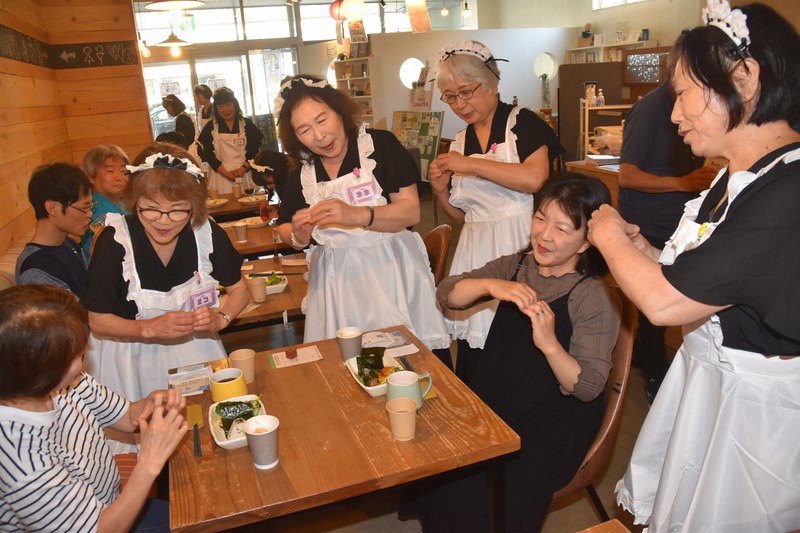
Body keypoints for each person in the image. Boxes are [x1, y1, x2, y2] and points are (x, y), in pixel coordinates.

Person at [587, 2, 800, 530]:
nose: (674, 114)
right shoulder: (735, 177)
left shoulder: (788, 190)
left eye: (683, 94)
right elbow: (704, 279)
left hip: (754, 416)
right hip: (710, 392)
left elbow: (666, 303)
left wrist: (608, 234)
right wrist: (642, 251)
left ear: (744, 78)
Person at [407, 174, 621, 532]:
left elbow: (586, 387)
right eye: (540, 218)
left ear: (587, 242)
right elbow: (447, 293)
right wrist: (491, 285)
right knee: (439, 461)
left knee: (473, 488)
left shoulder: (592, 296)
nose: (545, 235)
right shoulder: (520, 265)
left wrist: (550, 344)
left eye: (562, 229)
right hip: (502, 400)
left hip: (554, 420)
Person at [274, 75, 450, 354]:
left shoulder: (379, 146)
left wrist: (356, 215)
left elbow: (410, 211)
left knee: (408, 358)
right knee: (346, 360)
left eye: (322, 120)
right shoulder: (303, 173)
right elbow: (285, 226)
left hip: (392, 271)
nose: (319, 136)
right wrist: (299, 235)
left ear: (339, 111)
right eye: (304, 130)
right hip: (336, 283)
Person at [0, 284, 187, 532]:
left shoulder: (65, 384)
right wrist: (150, 463)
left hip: (110, 505)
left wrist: (151, 403)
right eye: (78, 355)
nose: (85, 355)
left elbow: (127, 416)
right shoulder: (24, 463)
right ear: (42, 371)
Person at [429, 40, 565, 365]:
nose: (460, 104)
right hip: (474, 246)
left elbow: (535, 178)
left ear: (492, 84)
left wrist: (470, 164)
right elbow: (461, 216)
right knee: (476, 345)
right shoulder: (461, 140)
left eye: (467, 92)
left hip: (516, 241)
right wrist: (441, 192)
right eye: (450, 97)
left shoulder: (522, 123)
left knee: (514, 339)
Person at [83, 143, 249, 401]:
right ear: (134, 201)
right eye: (150, 208)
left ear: (193, 206)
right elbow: (98, 321)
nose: (163, 220)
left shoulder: (205, 233)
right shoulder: (115, 241)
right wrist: (148, 328)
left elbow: (239, 289)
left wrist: (222, 318)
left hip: (195, 349)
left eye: (177, 210)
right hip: (129, 359)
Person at [617, 80, 717, 402]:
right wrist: (683, 182)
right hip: (648, 221)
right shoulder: (647, 111)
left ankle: (647, 360)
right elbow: (626, 175)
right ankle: (655, 374)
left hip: (677, 222)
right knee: (652, 310)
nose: (677, 115)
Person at [16, 163, 92, 298]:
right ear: (52, 208)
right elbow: (75, 311)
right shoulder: (35, 269)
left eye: (90, 206)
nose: (90, 214)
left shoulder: (69, 243)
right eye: (84, 208)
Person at [197, 87, 263, 195]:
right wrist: (226, 173)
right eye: (220, 106)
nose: (225, 110)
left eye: (228, 105)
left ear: (234, 105)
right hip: (220, 176)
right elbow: (208, 154)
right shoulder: (210, 127)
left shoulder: (247, 124)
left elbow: (254, 150)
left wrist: (243, 168)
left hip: (245, 175)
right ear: (216, 109)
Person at [80, 144, 130, 260]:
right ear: (91, 177)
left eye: (123, 171)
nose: (119, 177)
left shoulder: (123, 201)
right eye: (110, 171)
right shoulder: (94, 210)